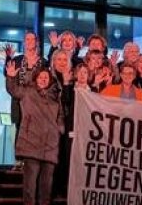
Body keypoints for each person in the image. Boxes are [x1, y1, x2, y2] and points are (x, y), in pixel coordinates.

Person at [4, 66, 63, 205]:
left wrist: (59, 129)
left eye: (46, 77)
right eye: (41, 77)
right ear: (36, 78)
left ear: (50, 80)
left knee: (46, 188)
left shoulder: (55, 97)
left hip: (50, 146)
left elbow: (60, 116)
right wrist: (11, 77)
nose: (43, 79)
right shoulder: (28, 92)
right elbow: (13, 90)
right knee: (30, 187)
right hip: (31, 144)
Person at [3, 32, 46, 168]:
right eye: (27, 39)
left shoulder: (43, 61)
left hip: (36, 103)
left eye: (32, 39)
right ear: (24, 42)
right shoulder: (17, 60)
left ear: (36, 42)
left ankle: (32, 161)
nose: (30, 41)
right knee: (20, 129)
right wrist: (8, 58)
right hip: (19, 102)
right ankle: (19, 161)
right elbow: (8, 74)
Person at [53, 63, 90, 198]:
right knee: (69, 160)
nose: (82, 75)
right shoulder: (70, 89)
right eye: (80, 72)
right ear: (75, 74)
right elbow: (65, 102)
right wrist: (66, 83)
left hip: (87, 133)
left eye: (85, 72)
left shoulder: (93, 92)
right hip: (71, 131)